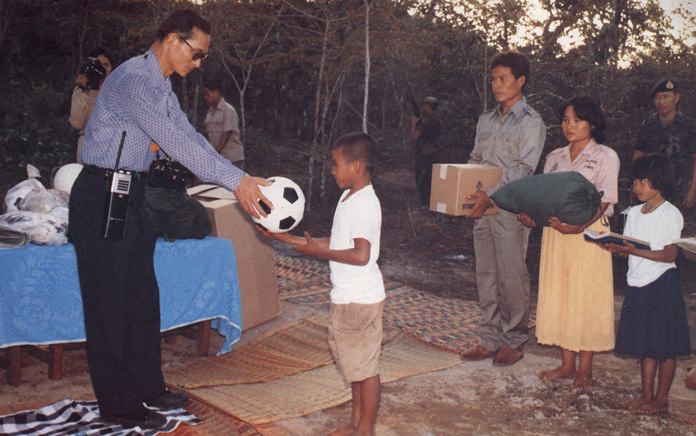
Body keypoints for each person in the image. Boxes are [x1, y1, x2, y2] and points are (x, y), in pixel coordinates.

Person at [69, 10, 271, 430]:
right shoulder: (133, 79)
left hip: (132, 194)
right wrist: (236, 182)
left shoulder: (161, 88)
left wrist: (243, 176)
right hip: (101, 194)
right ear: (172, 39)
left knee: (143, 297)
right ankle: (120, 405)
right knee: (109, 306)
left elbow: (189, 137)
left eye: (202, 57)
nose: (198, 64)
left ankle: (148, 386)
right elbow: (176, 141)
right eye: (195, 53)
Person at [263, 132, 384, 436]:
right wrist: (289, 239)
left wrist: (318, 251)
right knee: (354, 365)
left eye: (336, 164)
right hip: (346, 296)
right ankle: (356, 423)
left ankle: (365, 429)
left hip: (361, 299)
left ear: (356, 166)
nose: (332, 170)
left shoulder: (365, 204)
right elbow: (337, 242)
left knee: (365, 368)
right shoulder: (348, 197)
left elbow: (361, 254)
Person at [518, 96, 619, 387]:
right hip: (556, 234)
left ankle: (585, 370)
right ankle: (565, 365)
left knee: (585, 298)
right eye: (565, 120)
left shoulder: (604, 156)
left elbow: (605, 200)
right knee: (560, 295)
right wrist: (534, 218)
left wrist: (578, 227)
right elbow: (543, 197)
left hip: (588, 235)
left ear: (593, 123)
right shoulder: (555, 157)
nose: (569, 126)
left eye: (577, 120)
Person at [460, 50, 546, 366]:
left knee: (512, 276)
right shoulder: (486, 120)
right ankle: (488, 339)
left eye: (503, 79)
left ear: (520, 81)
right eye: (493, 79)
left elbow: (525, 169)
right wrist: (465, 190)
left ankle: (514, 339)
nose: (496, 84)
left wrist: (491, 194)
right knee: (486, 273)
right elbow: (475, 159)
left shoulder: (531, 123)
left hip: (510, 208)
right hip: (482, 208)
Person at [603, 154, 690, 415]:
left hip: (662, 283)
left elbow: (668, 255)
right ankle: (646, 396)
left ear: (660, 182)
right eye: (635, 181)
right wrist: (619, 249)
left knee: (664, 346)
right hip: (638, 282)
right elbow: (632, 246)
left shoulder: (670, 213)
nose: (637, 187)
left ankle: (661, 400)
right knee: (645, 344)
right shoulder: (634, 213)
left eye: (644, 181)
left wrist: (633, 251)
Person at [633, 79, 696, 231]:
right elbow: (638, 158)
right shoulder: (648, 125)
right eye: (658, 97)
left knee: (681, 235)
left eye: (666, 96)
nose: (661, 101)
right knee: (652, 230)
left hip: (681, 190)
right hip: (653, 189)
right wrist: (635, 184)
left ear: (676, 98)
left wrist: (692, 191)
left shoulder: (688, 125)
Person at [68, 48, 114, 163]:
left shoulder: (118, 89)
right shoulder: (82, 90)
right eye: (99, 65)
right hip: (88, 143)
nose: (102, 69)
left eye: (106, 65)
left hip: (111, 145)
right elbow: (76, 123)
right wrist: (87, 92)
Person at [202, 79, 245, 170]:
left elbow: (227, 134)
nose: (205, 97)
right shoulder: (210, 112)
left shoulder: (228, 110)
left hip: (232, 158)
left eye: (207, 93)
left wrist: (215, 152)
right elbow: (208, 133)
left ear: (216, 92)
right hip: (217, 158)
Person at [411, 96, 441, 207]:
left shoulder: (427, 121)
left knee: (422, 179)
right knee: (429, 179)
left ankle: (425, 205)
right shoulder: (435, 120)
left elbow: (415, 136)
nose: (423, 106)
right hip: (433, 151)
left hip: (425, 153)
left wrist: (414, 123)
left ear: (429, 106)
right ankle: (429, 204)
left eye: (425, 104)